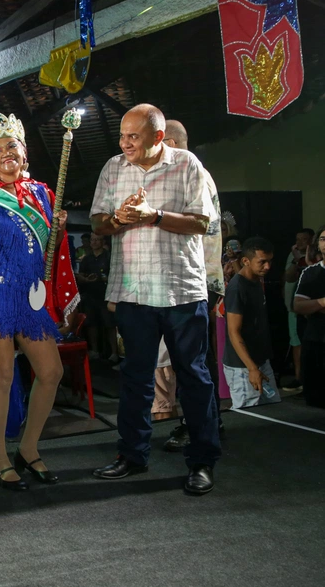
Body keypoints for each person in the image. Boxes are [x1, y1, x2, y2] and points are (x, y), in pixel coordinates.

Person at [89, 104, 220, 495]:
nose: (124, 143)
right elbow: (98, 221)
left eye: (133, 136)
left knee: (193, 377)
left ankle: (202, 461)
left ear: (158, 137)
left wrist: (154, 215)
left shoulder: (187, 164)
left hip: (181, 290)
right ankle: (132, 455)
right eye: (122, 136)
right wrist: (120, 220)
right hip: (133, 290)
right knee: (135, 377)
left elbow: (204, 222)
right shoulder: (113, 167)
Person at [0, 112, 79, 490]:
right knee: (2, 376)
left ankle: (29, 448)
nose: (6, 153)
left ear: (25, 152)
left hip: (33, 298)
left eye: (12, 146)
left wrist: (58, 228)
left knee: (51, 373)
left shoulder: (44, 194)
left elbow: (52, 253)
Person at [161, 119, 226, 451]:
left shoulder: (190, 172)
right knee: (194, 358)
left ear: (170, 143)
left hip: (195, 280)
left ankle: (197, 425)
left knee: (190, 360)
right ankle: (208, 421)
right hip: (198, 278)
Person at [223, 237, 280, 408]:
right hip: (243, 367)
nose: (267, 267)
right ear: (246, 261)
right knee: (249, 419)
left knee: (274, 411)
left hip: (261, 361)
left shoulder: (255, 281)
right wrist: (252, 369)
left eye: (270, 261)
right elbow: (234, 331)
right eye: (262, 262)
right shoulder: (237, 288)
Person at [292, 226, 325, 408]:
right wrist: (322, 303)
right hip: (315, 340)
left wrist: (313, 306)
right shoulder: (310, 273)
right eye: (322, 239)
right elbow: (298, 306)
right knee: (315, 400)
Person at [76, 232, 118, 362]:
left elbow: (115, 275)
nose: (94, 242)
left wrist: (106, 278)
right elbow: (80, 275)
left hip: (105, 295)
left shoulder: (109, 257)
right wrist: (86, 279)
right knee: (91, 323)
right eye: (93, 240)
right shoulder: (86, 259)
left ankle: (114, 353)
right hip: (90, 294)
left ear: (102, 242)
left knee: (109, 324)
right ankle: (94, 350)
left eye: (97, 240)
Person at [283, 227, 314, 389]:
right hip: (293, 307)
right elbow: (288, 278)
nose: (299, 242)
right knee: (296, 342)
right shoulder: (293, 256)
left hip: (311, 309)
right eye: (297, 239)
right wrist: (296, 259)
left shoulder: (315, 257)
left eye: (304, 239)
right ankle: (299, 377)